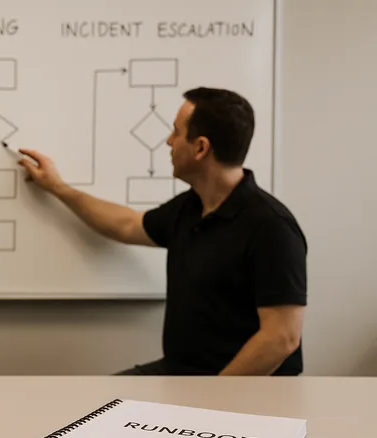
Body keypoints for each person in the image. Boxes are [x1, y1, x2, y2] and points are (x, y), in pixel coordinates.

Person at [18, 87, 307, 376]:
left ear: (200, 148)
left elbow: (281, 338)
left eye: (176, 132)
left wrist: (213, 400)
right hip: (181, 374)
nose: (169, 141)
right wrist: (58, 188)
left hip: (243, 391)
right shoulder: (190, 208)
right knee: (93, 403)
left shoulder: (271, 226)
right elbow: (126, 224)